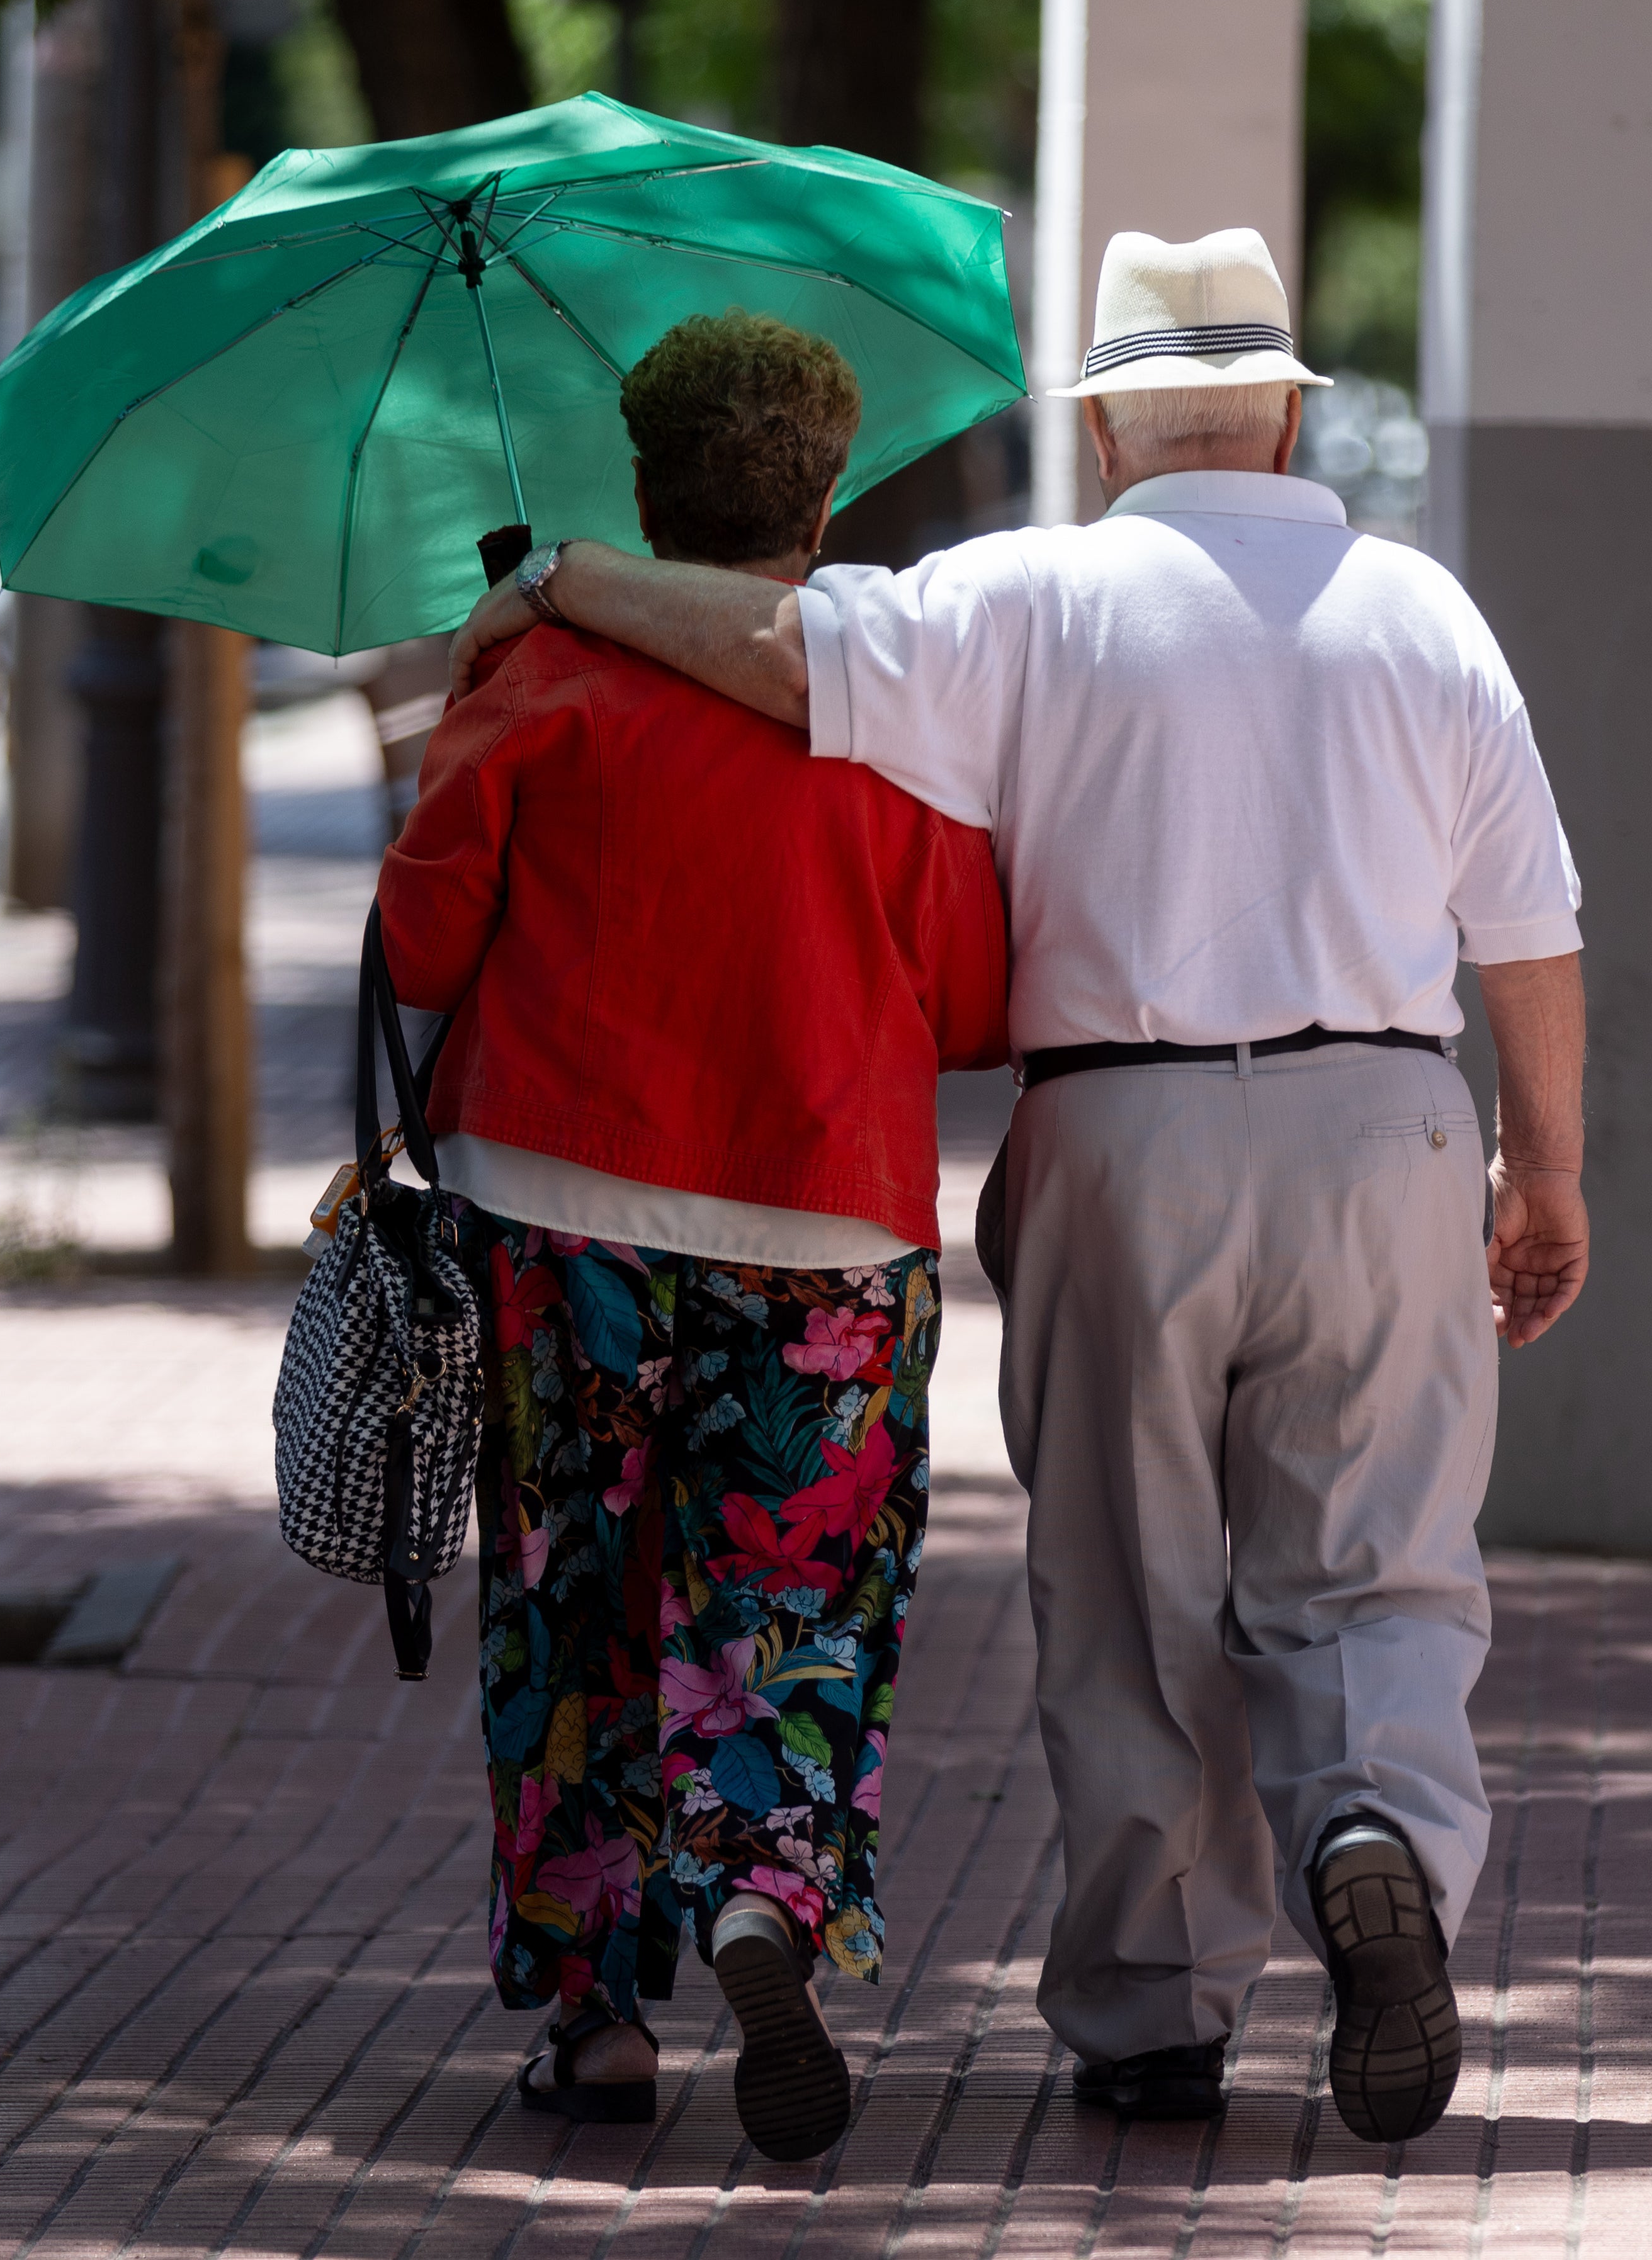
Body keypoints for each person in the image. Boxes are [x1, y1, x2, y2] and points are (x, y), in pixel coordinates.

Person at [446, 230, 1592, 2147]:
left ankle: (1155, 2015)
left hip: (1120, 1129)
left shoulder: (1026, 595)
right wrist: (1541, 1164)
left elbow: (770, 646)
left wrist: (558, 576)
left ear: (1102, 426)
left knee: (1130, 1589)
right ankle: (1376, 1816)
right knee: (1379, 1557)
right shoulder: (1426, 612)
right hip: (1387, 1117)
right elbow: (1532, 929)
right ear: (1294, 407)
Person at [379, 311, 1009, 2161]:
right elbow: (970, 999)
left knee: (576, 1604)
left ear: (642, 489)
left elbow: (422, 954)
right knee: (793, 1603)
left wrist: (459, 707)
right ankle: (765, 1901)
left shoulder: (539, 682)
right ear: (823, 496)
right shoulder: (903, 715)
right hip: (826, 1228)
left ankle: (590, 2015)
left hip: (559, 1219)